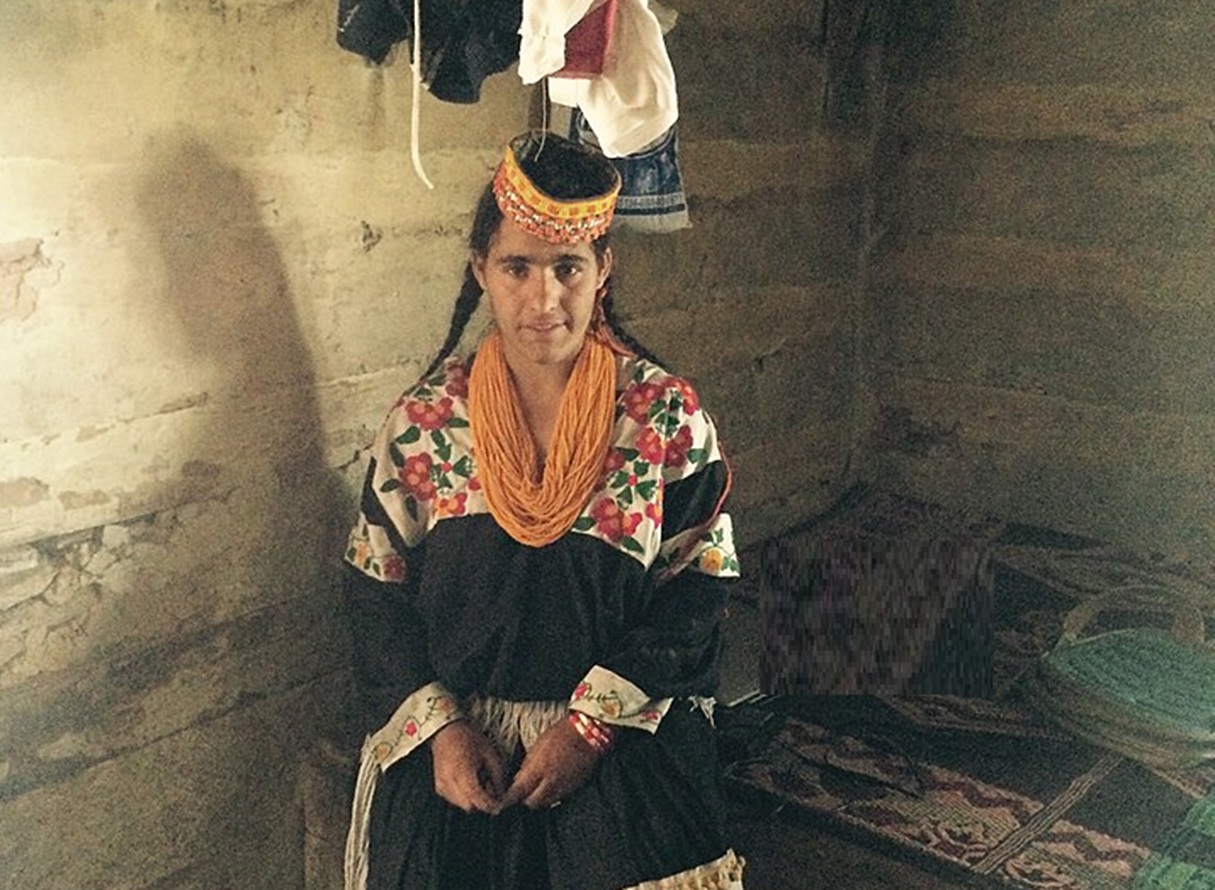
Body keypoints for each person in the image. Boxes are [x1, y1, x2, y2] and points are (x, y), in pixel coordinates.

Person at [341, 131, 745, 890]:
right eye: (517, 268)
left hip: (620, 729)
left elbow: (699, 586)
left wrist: (590, 727)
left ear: (602, 270)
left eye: (568, 267)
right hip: (462, 740)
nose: (544, 299)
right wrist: (442, 733)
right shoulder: (424, 423)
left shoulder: (663, 417)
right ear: (481, 272)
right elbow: (375, 593)